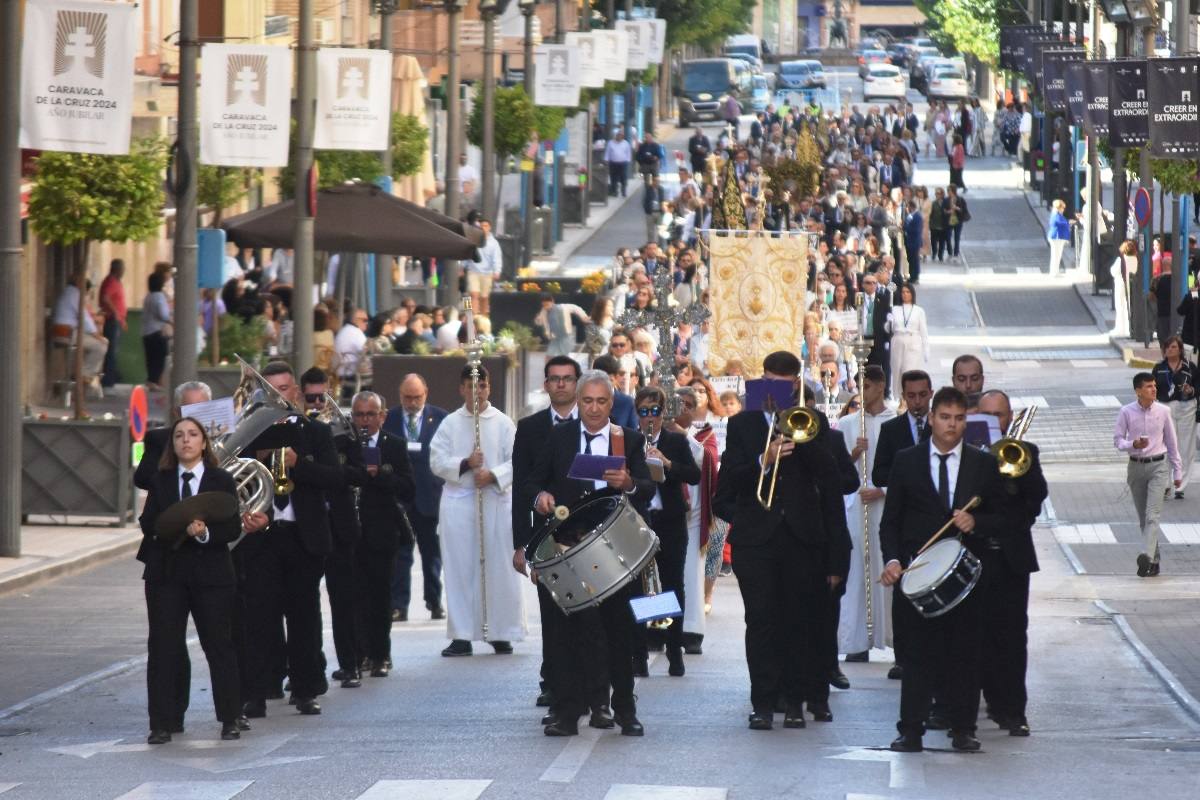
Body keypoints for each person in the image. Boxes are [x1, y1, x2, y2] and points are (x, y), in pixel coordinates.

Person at [713, 350, 852, 731]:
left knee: (798, 623)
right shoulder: (741, 425)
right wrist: (765, 458)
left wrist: (803, 439)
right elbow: (725, 491)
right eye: (768, 381)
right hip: (757, 541)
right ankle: (762, 702)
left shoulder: (815, 422)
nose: (774, 389)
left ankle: (795, 701)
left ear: (795, 384)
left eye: (783, 383)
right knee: (761, 622)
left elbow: (833, 482)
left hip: (802, 539)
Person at [522, 370, 655, 737]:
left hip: (612, 549)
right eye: (587, 401)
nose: (594, 408)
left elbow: (645, 487)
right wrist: (541, 498)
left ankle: (625, 710)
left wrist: (628, 482)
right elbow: (532, 480)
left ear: (612, 403)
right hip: (568, 546)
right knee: (568, 634)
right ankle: (568, 712)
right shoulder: (559, 436)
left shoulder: (625, 439)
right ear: (577, 402)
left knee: (619, 631)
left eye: (601, 401)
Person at [879, 386, 1006, 753]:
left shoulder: (983, 464)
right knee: (917, 657)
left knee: (964, 655)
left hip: (966, 579)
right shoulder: (907, 461)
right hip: (918, 576)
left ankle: (963, 728)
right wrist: (892, 560)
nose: (952, 426)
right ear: (931, 418)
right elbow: (891, 522)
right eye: (945, 418)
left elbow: (1001, 518)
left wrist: (976, 523)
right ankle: (911, 730)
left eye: (959, 419)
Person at [137, 416, 265, 744]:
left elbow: (232, 527)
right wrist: (176, 527)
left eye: (193, 435)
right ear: (173, 444)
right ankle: (161, 723)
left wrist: (206, 533)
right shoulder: (161, 480)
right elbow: (148, 522)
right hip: (167, 575)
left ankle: (230, 717)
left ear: (204, 443)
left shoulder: (220, 479)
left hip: (211, 575)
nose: (186, 441)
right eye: (179, 435)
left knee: (219, 645)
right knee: (164, 647)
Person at [240, 362, 341, 719]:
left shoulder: (315, 432)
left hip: (303, 537)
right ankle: (255, 692)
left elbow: (334, 478)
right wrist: (256, 457)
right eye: (271, 390)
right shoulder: (249, 434)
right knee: (258, 618)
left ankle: (305, 689)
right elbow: (230, 479)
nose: (278, 396)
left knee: (304, 617)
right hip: (262, 538)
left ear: (295, 392)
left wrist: (299, 464)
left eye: (283, 389)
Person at [431, 364, 526, 656]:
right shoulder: (449, 423)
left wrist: (494, 474)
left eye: (482, 386)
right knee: (461, 568)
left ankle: (500, 631)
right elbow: (436, 460)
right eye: (471, 386)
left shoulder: (503, 423)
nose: (477, 392)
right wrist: (465, 464)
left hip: (494, 501)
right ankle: (462, 633)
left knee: (498, 567)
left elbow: (518, 461)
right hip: (460, 502)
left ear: (489, 388)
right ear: (461, 389)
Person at [512, 356, 583, 712]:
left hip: (587, 534)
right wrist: (520, 543)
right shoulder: (529, 428)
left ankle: (590, 685)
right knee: (552, 615)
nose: (560, 385)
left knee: (585, 616)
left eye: (567, 379)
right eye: (554, 379)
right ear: (546, 384)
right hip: (546, 536)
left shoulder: (597, 425)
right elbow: (521, 487)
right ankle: (553, 682)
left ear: (578, 383)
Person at [976, 390, 1048, 737]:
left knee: (1013, 635)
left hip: (1012, 557)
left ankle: (1014, 710)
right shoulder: (967, 453)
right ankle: (983, 701)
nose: (994, 421)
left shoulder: (1025, 452)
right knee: (978, 634)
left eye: (999, 415)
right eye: (987, 414)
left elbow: (1036, 500)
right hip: (974, 556)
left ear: (1010, 417)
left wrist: (1015, 481)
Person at [299, 370, 366, 690]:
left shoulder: (344, 427)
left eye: (321, 397)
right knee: (303, 602)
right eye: (310, 397)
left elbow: (356, 471)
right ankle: (309, 666)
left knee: (344, 599)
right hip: (307, 523)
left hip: (338, 522)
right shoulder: (295, 430)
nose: (315, 403)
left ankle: (350, 664)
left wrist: (324, 469)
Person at [631, 386, 701, 677]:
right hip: (639, 522)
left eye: (655, 412)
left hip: (670, 520)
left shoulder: (675, 440)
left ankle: (674, 649)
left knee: (672, 585)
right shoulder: (629, 441)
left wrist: (668, 463)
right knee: (639, 587)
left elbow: (694, 475)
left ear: (663, 413)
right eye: (644, 412)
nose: (650, 418)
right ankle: (640, 652)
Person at [871, 369, 933, 681]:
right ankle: (902, 656)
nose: (918, 402)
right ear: (903, 396)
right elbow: (879, 473)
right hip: (906, 520)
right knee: (903, 594)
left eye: (923, 395)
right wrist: (906, 470)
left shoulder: (943, 426)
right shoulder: (893, 430)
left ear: (931, 393)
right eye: (911, 396)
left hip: (936, 522)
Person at [351, 391, 415, 674]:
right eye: (359, 415)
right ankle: (359, 653)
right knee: (356, 596)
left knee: (380, 597)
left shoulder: (395, 445)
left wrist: (382, 475)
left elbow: (408, 488)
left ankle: (381, 655)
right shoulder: (345, 444)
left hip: (383, 532)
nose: (365, 420)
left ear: (382, 415)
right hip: (351, 531)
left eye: (370, 414)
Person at [837, 365, 896, 662]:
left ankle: (892, 637)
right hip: (855, 505)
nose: (864, 392)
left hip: (886, 503)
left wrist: (883, 489)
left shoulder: (894, 420)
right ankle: (857, 641)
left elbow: (905, 466)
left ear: (882, 385)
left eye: (870, 385)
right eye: (861, 386)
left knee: (888, 564)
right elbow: (836, 468)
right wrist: (854, 454)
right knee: (856, 570)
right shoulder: (848, 423)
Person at [382, 374, 447, 621]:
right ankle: (399, 605)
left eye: (416, 397)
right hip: (400, 498)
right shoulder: (389, 419)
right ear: (400, 396)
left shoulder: (441, 419)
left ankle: (434, 602)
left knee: (432, 555)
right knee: (401, 554)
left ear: (426, 394)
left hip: (429, 497)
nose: (412, 402)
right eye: (407, 397)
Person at [1114, 373, 1184, 578]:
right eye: (1148, 387)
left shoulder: (1163, 411)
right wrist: (1132, 444)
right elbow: (1117, 440)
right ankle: (1154, 561)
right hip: (1136, 467)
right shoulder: (1126, 412)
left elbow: (1172, 442)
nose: (1154, 389)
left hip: (1158, 466)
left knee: (1152, 515)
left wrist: (1177, 471)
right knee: (1144, 518)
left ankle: (1146, 554)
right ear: (1138, 391)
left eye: (1154, 386)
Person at [885, 284, 928, 402]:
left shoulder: (919, 311)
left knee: (908, 370)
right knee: (897, 370)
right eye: (903, 292)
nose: (905, 295)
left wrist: (926, 350)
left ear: (912, 294)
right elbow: (889, 329)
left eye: (908, 292)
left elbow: (923, 331)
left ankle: (909, 397)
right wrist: (888, 321)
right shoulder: (895, 309)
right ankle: (900, 399)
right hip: (898, 340)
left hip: (913, 340)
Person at [140, 273, 172, 390]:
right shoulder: (159, 297)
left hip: (146, 332)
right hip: (157, 331)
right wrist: (171, 321)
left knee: (150, 357)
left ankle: (151, 380)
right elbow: (163, 314)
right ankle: (155, 380)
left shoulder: (148, 296)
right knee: (160, 357)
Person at [99, 259, 127, 387]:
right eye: (122, 269)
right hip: (112, 321)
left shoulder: (115, 282)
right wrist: (115, 312)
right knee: (111, 351)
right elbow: (105, 297)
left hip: (116, 320)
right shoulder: (111, 281)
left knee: (113, 350)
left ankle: (111, 377)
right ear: (117, 269)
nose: (123, 271)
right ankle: (108, 380)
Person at [467, 219, 503, 318]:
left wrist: (497, 271)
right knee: (473, 295)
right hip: (473, 271)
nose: (483, 228)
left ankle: (483, 318)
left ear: (489, 227)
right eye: (482, 226)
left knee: (484, 297)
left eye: (486, 226)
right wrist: (462, 267)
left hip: (487, 273)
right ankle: (471, 317)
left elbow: (497, 258)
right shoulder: (473, 239)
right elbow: (467, 253)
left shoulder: (493, 243)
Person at [334, 308, 369, 398]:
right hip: (349, 373)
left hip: (341, 371)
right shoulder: (355, 332)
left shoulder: (345, 330)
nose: (367, 323)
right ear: (355, 320)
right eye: (364, 320)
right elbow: (368, 350)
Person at [942, 184, 969, 262]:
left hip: (958, 221)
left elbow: (964, 210)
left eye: (949, 190)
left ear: (953, 191)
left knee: (957, 238)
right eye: (947, 190)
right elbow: (943, 210)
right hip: (948, 221)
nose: (948, 192)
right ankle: (950, 252)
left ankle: (956, 253)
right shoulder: (946, 200)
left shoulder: (960, 199)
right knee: (948, 237)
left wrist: (957, 208)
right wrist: (948, 211)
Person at [605, 130, 632, 197]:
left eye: (621, 135)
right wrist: (606, 160)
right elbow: (607, 152)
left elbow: (628, 153)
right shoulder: (610, 143)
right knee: (613, 178)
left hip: (623, 163)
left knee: (623, 177)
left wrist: (628, 161)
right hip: (613, 163)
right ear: (616, 135)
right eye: (618, 135)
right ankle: (614, 191)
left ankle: (623, 191)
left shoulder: (626, 143)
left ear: (623, 136)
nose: (620, 136)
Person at [1047, 199, 1071, 275]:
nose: (1063, 210)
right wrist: (1068, 222)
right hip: (1056, 237)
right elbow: (1059, 223)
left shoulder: (1057, 214)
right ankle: (1054, 272)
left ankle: (1055, 271)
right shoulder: (1056, 215)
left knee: (1058, 254)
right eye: (1063, 208)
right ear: (1059, 207)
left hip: (1058, 237)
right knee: (1056, 255)